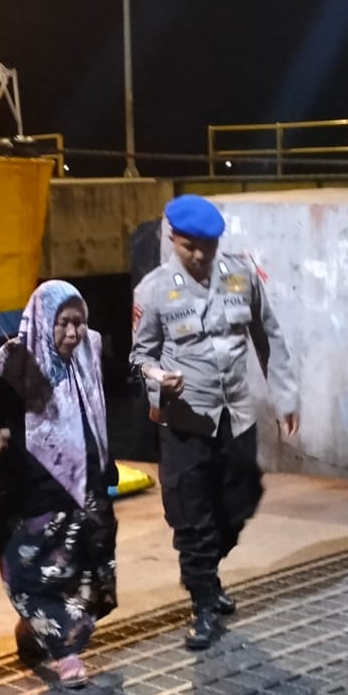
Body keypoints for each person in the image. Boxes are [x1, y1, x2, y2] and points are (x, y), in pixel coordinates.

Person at [130, 194, 298, 650]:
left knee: (241, 500)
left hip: (235, 416)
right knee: (193, 517)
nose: (200, 255)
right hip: (185, 421)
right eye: (190, 246)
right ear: (173, 239)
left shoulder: (241, 276)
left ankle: (205, 572)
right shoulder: (153, 291)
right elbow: (139, 358)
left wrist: (285, 397)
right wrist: (157, 383)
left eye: (208, 245)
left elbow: (268, 335)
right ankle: (203, 600)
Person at [0, 281, 118, 689]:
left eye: (79, 322)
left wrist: (104, 476)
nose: (73, 333)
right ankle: (66, 655)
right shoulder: (11, 366)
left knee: (85, 580)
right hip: (32, 497)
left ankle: (34, 632)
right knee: (37, 580)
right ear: (42, 321)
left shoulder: (88, 354)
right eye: (63, 323)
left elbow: (96, 414)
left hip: (85, 492)